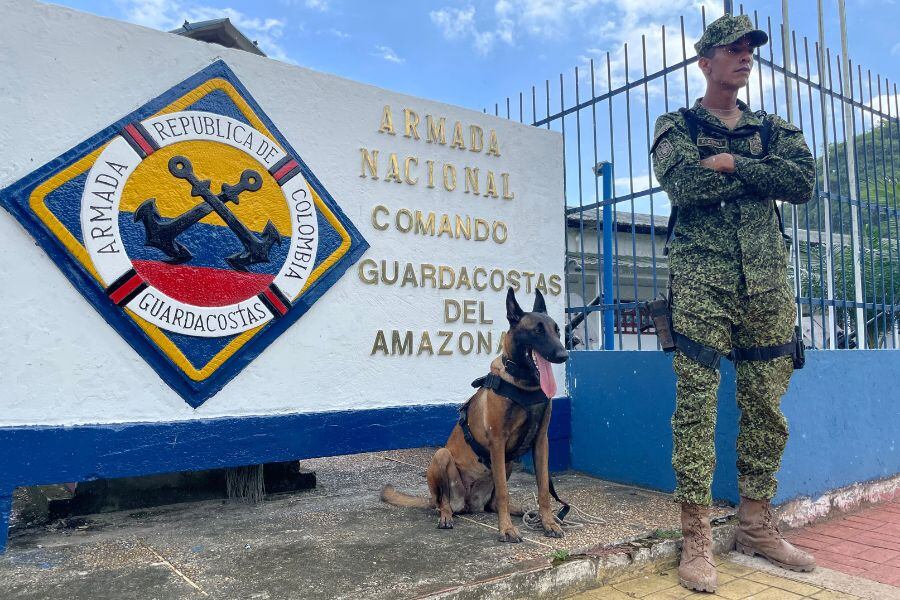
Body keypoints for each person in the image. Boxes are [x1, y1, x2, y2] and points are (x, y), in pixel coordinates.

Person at [651, 14, 817, 593]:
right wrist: (761, 176)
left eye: (750, 49)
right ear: (705, 62)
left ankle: (755, 525)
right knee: (696, 405)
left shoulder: (773, 127)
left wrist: (733, 163)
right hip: (702, 280)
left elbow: (803, 182)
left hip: (768, 284)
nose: (744, 57)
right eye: (732, 49)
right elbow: (683, 187)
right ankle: (696, 537)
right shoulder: (676, 124)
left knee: (766, 408)